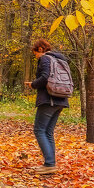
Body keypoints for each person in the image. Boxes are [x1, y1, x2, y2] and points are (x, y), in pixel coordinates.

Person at [27, 38, 70, 174]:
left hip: (49, 99)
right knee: (48, 132)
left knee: (39, 130)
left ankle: (49, 164)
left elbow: (45, 77)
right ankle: (50, 164)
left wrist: (33, 84)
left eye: (35, 54)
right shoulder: (60, 60)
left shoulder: (45, 59)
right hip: (61, 99)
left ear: (40, 49)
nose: (36, 57)